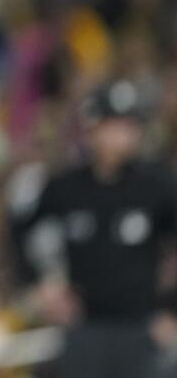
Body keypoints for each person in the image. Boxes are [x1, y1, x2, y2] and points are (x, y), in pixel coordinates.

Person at [11, 80, 177, 378]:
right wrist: (39, 283)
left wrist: (170, 310)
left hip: (141, 327)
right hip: (82, 326)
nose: (121, 136)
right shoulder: (67, 187)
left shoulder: (156, 186)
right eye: (112, 126)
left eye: (129, 126)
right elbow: (20, 227)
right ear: (92, 130)